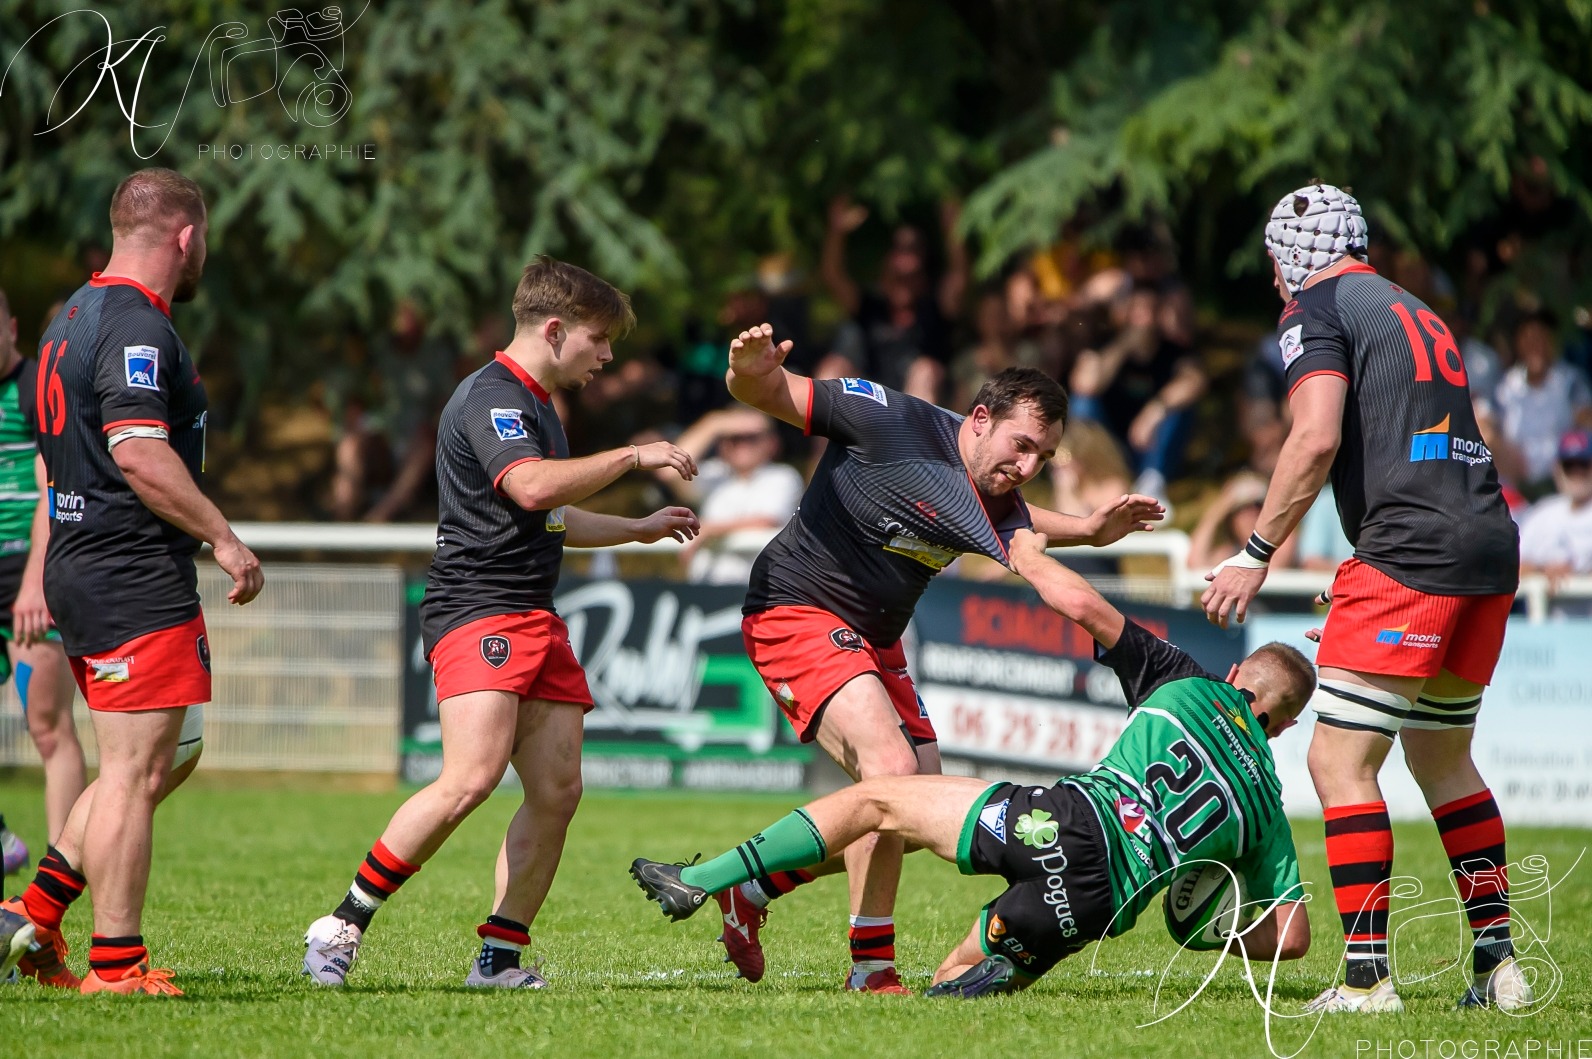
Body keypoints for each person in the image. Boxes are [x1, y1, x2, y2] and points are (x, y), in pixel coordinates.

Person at [631, 527, 1314, 997]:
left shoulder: (1187, 681)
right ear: (1280, 726)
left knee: (883, 796)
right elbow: (1293, 937)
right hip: (1093, 907)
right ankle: (978, 966)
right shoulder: (1266, 811)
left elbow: (1079, 603)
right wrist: (1208, 932)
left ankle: (703, 878)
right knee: (953, 982)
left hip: (1062, 822)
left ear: (1239, 677)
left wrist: (1024, 548)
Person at [715, 322, 1163, 993]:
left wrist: (1092, 531)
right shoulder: (884, 417)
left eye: (1044, 455)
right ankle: (871, 968)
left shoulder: (997, 487)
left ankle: (751, 887)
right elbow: (772, 393)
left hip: (876, 639)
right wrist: (748, 370)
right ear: (979, 419)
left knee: (917, 807)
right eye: (1021, 445)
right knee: (891, 773)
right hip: (794, 608)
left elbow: (1027, 520)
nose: (1029, 466)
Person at [302, 257, 702, 989]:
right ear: (554, 330)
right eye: (600, 337)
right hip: (477, 607)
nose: (607, 355)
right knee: (470, 777)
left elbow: (549, 511)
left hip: (534, 613)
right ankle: (341, 923)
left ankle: (499, 957)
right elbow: (530, 483)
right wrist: (635, 453)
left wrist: (636, 528)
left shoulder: (541, 405)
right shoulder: (493, 397)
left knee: (557, 790)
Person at [1203, 183, 1532, 1013]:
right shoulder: (1414, 307)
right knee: (1442, 757)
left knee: (1338, 761)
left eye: (1276, 263)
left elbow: (1315, 435)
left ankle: (1365, 979)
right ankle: (1498, 967)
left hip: (1412, 551)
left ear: (1287, 258)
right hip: (1486, 542)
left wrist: (1254, 552)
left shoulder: (1314, 306)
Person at [1, 168, 263, 996]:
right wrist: (222, 534)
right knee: (133, 774)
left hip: (85, 565)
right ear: (186, 237)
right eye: (205, 238)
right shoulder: (136, 327)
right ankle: (117, 965)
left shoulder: (68, 318)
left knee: (158, 758)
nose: (204, 253)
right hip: (129, 572)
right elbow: (139, 451)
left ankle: (34, 917)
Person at [0, 285, 87, 849]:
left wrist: (36, 580)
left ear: (10, 326)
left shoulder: (39, 387)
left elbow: (54, 487)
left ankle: (60, 877)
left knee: (48, 728)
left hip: (29, 574)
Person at [667, 407, 803, 585]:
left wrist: (709, 530)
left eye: (752, 437)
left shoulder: (784, 476)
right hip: (706, 590)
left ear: (773, 443)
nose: (742, 444)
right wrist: (713, 424)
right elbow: (670, 472)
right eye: (734, 437)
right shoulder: (714, 475)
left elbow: (767, 521)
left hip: (761, 592)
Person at [1492, 309, 1592, 496]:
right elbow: (1490, 430)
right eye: (1529, 339)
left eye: (1541, 338)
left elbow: (1587, 420)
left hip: (1565, 481)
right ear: (1518, 344)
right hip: (1518, 483)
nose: (1535, 346)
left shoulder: (1570, 381)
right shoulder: (1506, 387)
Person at [1518, 429, 1592, 579]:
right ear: (1557, 469)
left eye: (1583, 465)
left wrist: (1576, 574)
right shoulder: (1542, 513)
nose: (1577, 474)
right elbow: (1513, 566)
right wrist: (1543, 571)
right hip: (1546, 603)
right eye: (1569, 466)